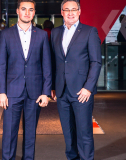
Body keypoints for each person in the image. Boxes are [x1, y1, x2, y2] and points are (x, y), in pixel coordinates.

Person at [0, 0, 52, 159]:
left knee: (30, 134)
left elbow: (47, 65)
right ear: (17, 11)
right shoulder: (6, 34)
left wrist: (45, 92)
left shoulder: (41, 35)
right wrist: (1, 92)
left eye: (31, 10)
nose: (27, 12)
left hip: (34, 92)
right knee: (9, 133)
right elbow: (1, 65)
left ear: (34, 13)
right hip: (12, 92)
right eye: (24, 9)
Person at [51, 0, 102, 159]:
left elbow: (96, 62)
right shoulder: (55, 32)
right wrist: (52, 86)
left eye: (74, 9)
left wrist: (88, 87)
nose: (71, 13)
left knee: (84, 133)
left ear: (79, 11)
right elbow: (55, 61)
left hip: (82, 91)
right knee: (68, 134)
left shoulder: (89, 32)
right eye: (67, 10)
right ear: (62, 12)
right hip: (61, 91)